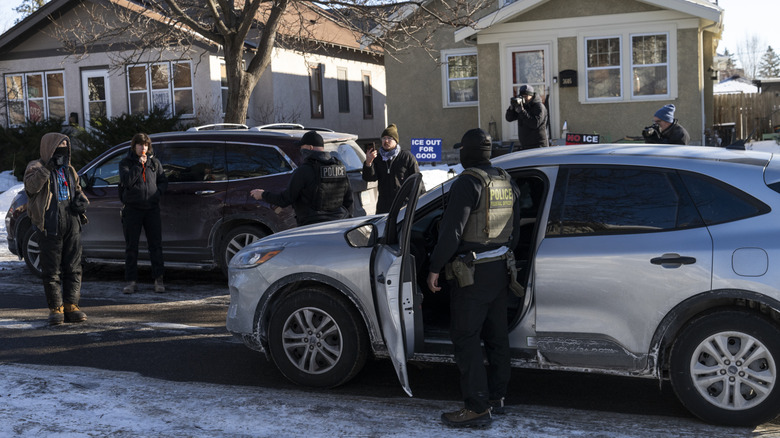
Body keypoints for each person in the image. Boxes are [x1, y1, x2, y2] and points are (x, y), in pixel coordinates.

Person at [426, 128, 522, 428]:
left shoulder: (468, 182)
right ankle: (497, 397)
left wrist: (435, 267)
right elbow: (516, 228)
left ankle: (476, 408)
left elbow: (452, 231)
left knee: (466, 338)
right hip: (500, 269)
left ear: (467, 152)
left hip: (472, 273)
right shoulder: (505, 179)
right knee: (496, 337)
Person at [24, 133, 89, 325]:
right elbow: (31, 188)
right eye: (60, 145)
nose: (63, 148)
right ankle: (56, 308)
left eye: (66, 145)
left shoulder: (69, 169)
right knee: (51, 269)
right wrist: (47, 168)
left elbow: (78, 190)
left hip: (71, 220)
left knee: (73, 266)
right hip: (50, 222)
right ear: (49, 147)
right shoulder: (36, 166)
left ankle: (71, 305)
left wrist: (82, 201)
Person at [251, 130, 353, 225]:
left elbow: (285, 199)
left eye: (302, 147)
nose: (301, 150)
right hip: (337, 225)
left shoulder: (304, 171)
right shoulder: (339, 168)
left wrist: (263, 194)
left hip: (312, 226)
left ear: (310, 148)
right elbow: (348, 201)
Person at [119, 133, 168, 294]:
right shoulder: (126, 163)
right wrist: (138, 166)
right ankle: (131, 281)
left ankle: (158, 279)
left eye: (146, 145)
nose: (143, 148)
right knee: (131, 247)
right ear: (134, 146)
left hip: (151, 209)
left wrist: (157, 194)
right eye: (140, 145)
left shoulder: (154, 162)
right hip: (132, 209)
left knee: (155, 245)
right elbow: (127, 181)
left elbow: (163, 181)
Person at [362, 123, 420, 214]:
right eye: (384, 138)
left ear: (396, 141)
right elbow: (369, 178)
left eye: (389, 138)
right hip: (384, 207)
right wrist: (368, 163)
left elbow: (417, 180)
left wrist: (420, 202)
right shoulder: (377, 158)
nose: (386, 141)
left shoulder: (406, 157)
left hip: (403, 207)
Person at [505, 85, 549, 149]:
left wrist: (522, 112)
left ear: (531, 96)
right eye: (521, 96)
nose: (523, 98)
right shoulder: (522, 106)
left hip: (538, 145)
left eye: (525, 96)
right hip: (525, 145)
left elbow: (535, 124)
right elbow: (509, 118)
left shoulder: (539, 107)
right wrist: (511, 108)